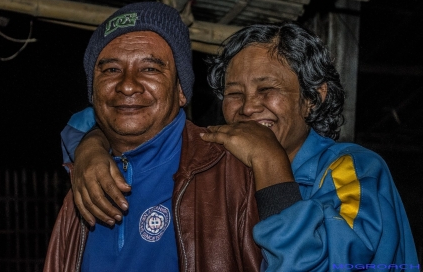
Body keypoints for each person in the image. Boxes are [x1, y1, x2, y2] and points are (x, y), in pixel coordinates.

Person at [63, 22, 419, 271]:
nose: (248, 108)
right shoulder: (224, 158)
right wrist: (91, 145)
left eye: (268, 90)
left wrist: (270, 162)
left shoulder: (351, 169)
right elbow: (111, 124)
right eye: (235, 94)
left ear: (313, 97)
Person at [44, 2, 263, 272]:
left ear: (181, 90)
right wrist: (89, 146)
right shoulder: (82, 186)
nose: (126, 85)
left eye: (150, 69)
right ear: (93, 94)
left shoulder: (236, 174)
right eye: (111, 69)